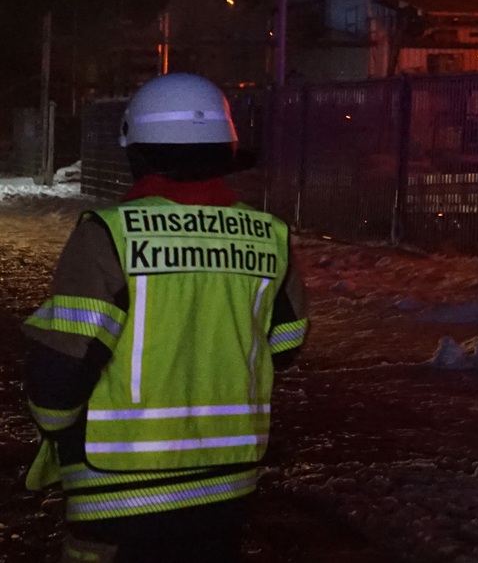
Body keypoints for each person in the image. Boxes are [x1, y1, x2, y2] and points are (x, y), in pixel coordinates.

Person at [21, 73, 308, 562]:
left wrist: (54, 432)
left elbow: (60, 370)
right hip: (227, 485)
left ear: (138, 150)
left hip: (118, 490)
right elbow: (286, 344)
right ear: (225, 146)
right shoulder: (270, 235)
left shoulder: (108, 235)